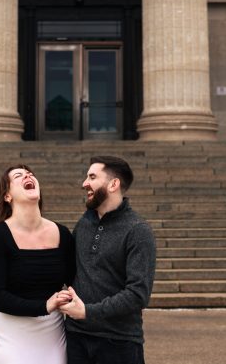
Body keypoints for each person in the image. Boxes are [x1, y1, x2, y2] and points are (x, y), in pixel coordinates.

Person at [58, 156, 156, 364]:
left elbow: (138, 294)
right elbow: (70, 272)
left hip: (119, 342)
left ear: (113, 184)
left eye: (92, 177)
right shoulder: (84, 224)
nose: (84, 183)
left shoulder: (138, 230)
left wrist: (88, 312)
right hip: (76, 338)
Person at [0, 164, 76, 364]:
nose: (28, 176)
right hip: (9, 333)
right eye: (18, 175)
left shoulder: (62, 234)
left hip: (51, 333)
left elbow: (76, 281)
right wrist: (44, 305)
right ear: (7, 196)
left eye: (30, 174)